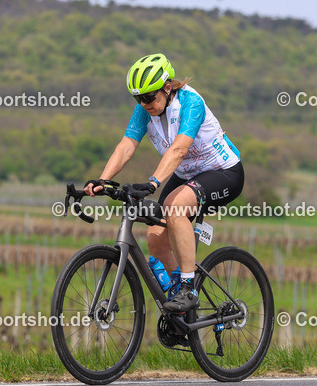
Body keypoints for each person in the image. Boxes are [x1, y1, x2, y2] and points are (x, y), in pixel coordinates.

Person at [84, 54, 244, 312]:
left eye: (149, 97)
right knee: (156, 237)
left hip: (223, 172)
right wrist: (104, 179)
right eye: (138, 98)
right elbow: (127, 145)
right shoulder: (144, 111)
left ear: (167, 88)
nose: (144, 103)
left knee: (175, 207)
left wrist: (153, 182)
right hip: (187, 175)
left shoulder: (191, 103)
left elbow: (179, 149)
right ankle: (180, 304)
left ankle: (188, 289)